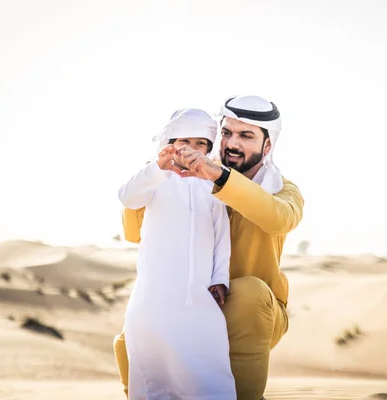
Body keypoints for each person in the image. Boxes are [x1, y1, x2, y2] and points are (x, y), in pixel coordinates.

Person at [114, 95, 304, 400]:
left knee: (248, 295)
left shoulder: (281, 189)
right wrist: (156, 175)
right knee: (134, 334)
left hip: (254, 314)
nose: (232, 143)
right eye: (227, 133)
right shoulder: (187, 178)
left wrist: (218, 177)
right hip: (191, 302)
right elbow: (134, 232)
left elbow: (279, 218)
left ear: (267, 146)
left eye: (246, 136)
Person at [117, 108, 236, 400]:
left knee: (211, 381)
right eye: (186, 142)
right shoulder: (156, 178)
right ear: (170, 143)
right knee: (156, 383)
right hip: (155, 299)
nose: (193, 150)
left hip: (200, 300)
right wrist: (158, 169)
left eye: (201, 144)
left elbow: (222, 236)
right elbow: (127, 197)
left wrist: (220, 278)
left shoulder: (212, 184)